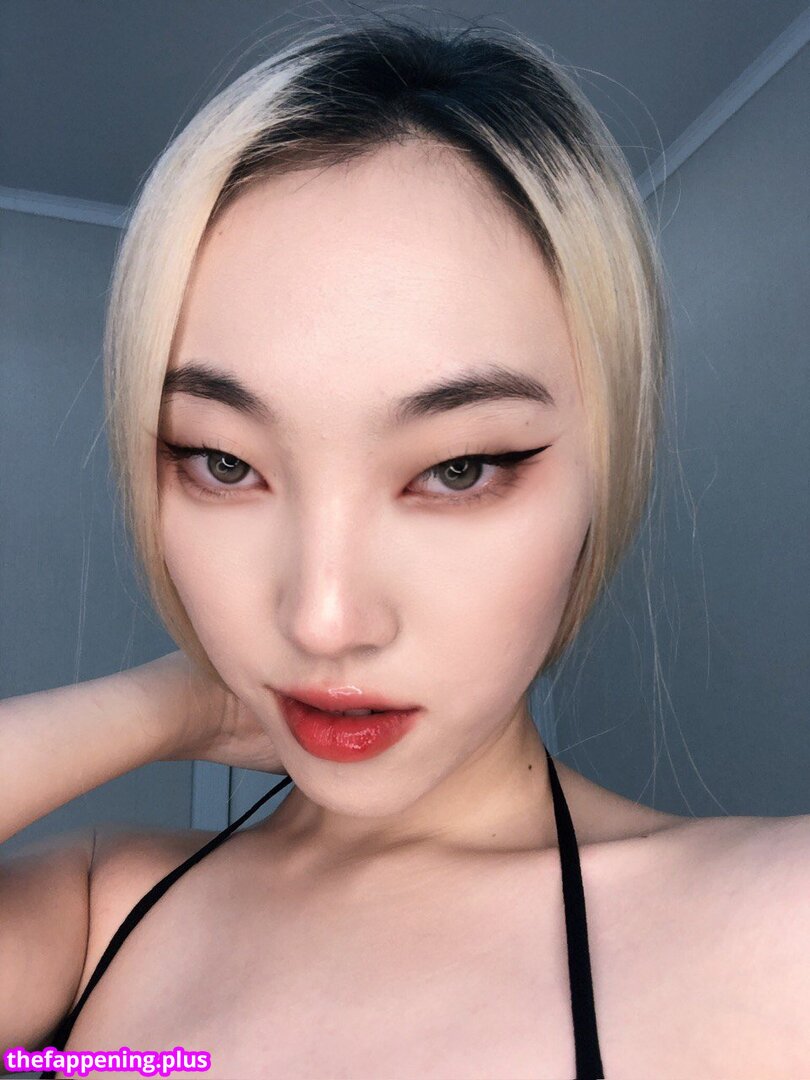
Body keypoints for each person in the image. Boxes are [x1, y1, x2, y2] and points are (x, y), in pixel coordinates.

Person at [1, 16, 805, 1080]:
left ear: (603, 472)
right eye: (224, 463)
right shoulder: (104, 909)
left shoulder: (776, 936)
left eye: (459, 468)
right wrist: (173, 703)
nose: (322, 621)